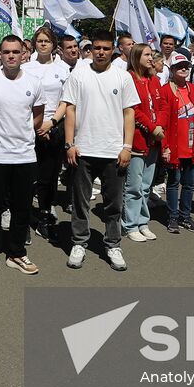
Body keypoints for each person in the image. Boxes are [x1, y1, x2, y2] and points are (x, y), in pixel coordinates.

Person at [60, 29, 137, 271]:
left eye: (106, 48)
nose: (101, 52)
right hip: (84, 150)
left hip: (114, 152)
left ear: (113, 49)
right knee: (80, 201)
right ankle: (79, 242)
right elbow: (69, 109)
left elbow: (129, 113)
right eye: (97, 48)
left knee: (113, 204)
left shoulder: (123, 77)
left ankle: (113, 244)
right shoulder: (79, 75)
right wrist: (70, 143)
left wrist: (127, 147)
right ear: (90, 50)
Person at [0, 35, 44, 277]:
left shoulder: (34, 83)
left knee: (22, 208)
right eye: (6, 52)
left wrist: (20, 133)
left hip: (24, 156)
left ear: (24, 54)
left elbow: (37, 117)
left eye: (16, 52)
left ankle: (16, 252)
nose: (11, 56)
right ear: (0, 55)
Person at [32, 34, 77, 240]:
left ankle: (45, 211)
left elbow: (66, 101)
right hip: (31, 127)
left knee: (50, 175)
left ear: (53, 45)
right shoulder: (26, 67)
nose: (43, 44)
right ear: (34, 44)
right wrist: (38, 124)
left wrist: (51, 123)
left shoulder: (62, 70)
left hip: (55, 126)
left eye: (47, 41)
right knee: (30, 174)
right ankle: (22, 215)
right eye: (40, 41)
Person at [160, 54, 194, 233]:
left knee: (189, 183)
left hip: (193, 145)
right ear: (172, 70)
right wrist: (165, 146)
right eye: (179, 66)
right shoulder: (166, 91)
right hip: (174, 146)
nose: (184, 69)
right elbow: (162, 123)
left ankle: (185, 216)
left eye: (186, 66)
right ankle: (172, 217)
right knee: (173, 183)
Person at [122, 43, 163, 243]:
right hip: (137, 139)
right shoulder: (128, 78)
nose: (150, 58)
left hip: (154, 140)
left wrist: (159, 127)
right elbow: (133, 109)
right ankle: (130, 224)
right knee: (134, 186)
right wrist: (151, 127)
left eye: (151, 55)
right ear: (137, 57)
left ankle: (142, 221)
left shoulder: (153, 79)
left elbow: (161, 106)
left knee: (147, 185)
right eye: (147, 54)